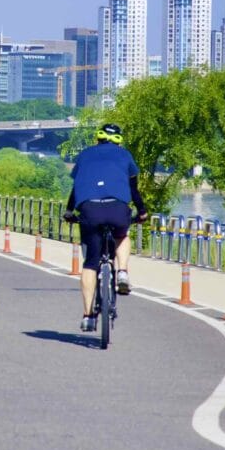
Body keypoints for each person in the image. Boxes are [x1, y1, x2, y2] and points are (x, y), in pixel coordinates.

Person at [63, 123, 148, 332]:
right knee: (122, 234)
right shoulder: (125, 155)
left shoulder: (84, 155)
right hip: (117, 208)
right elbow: (133, 190)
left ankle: (87, 316)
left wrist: (69, 211)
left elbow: (76, 189)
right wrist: (142, 211)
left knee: (90, 264)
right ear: (118, 139)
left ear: (98, 138)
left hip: (89, 210)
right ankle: (122, 272)